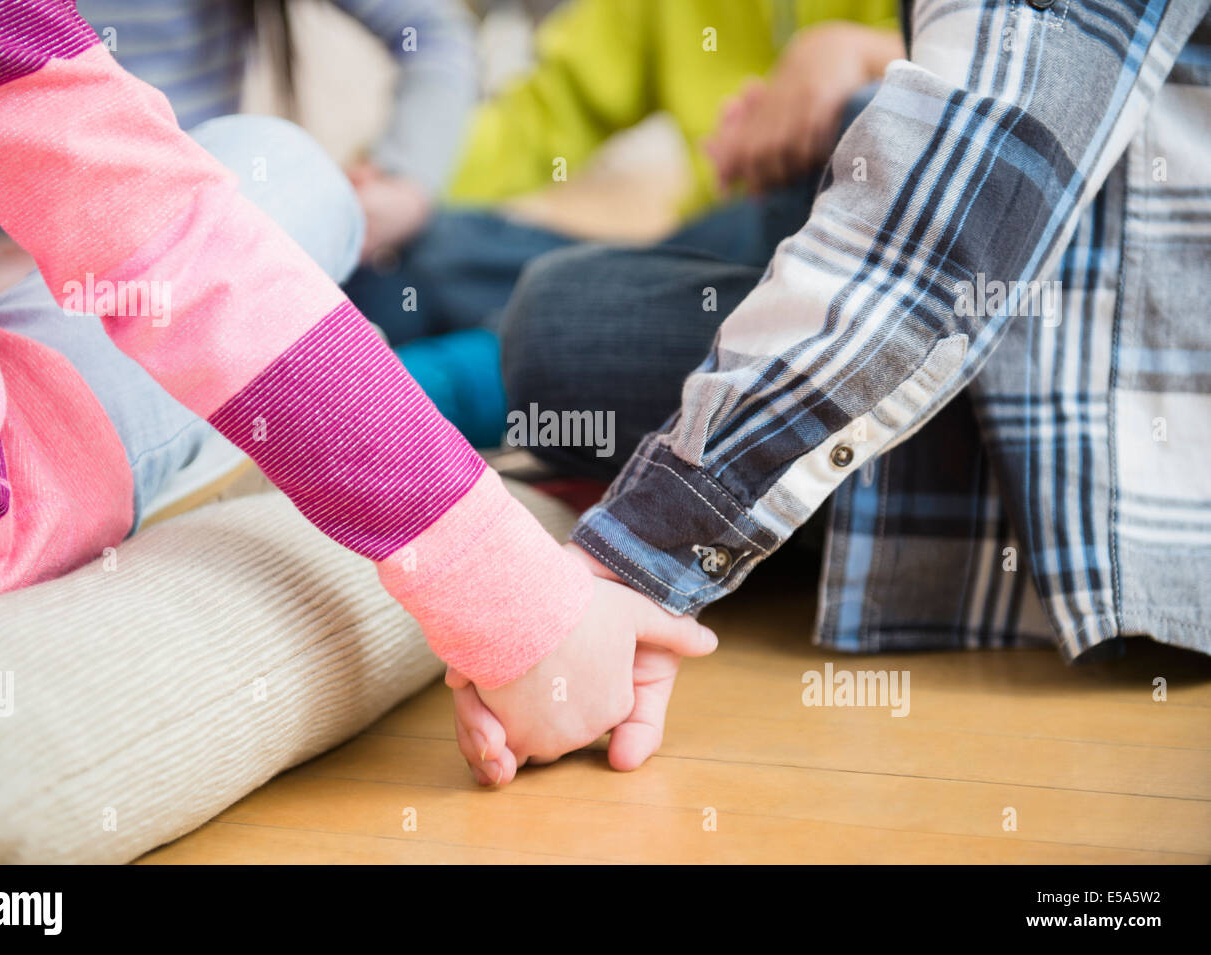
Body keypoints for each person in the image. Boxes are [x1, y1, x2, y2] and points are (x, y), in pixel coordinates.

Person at [0, 0, 715, 794]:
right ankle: (369, 398)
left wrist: (407, 182)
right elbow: (180, 251)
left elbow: (435, 42)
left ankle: (376, 389)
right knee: (337, 206)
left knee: (450, 262)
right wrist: (525, 614)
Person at [459, 0, 1211, 783]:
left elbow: (932, 244)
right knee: (522, 275)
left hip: (1079, 384)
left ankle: (443, 355)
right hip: (813, 219)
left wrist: (633, 558)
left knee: (558, 324)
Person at [344, 0, 902, 443]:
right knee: (416, 256)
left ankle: (402, 395)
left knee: (552, 314)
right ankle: (443, 366)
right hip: (695, 258)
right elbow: (539, 117)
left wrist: (860, 56)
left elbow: (980, 94)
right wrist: (398, 186)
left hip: (818, 256)